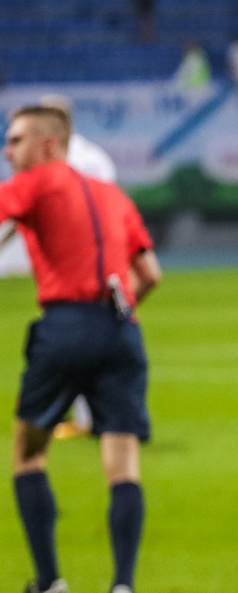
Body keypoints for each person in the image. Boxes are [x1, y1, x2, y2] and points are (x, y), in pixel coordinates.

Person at [1, 105, 161, 593]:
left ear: (49, 144)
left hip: (64, 327)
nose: (8, 151)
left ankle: (49, 584)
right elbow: (149, 273)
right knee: (123, 463)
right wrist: (114, 317)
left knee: (28, 452)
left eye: (16, 140)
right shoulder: (113, 195)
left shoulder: (36, 181)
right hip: (121, 329)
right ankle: (122, 591)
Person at [1, 94, 120, 441]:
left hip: (68, 263)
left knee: (67, 333)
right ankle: (96, 415)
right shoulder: (96, 156)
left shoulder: (55, 164)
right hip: (103, 258)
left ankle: (60, 413)